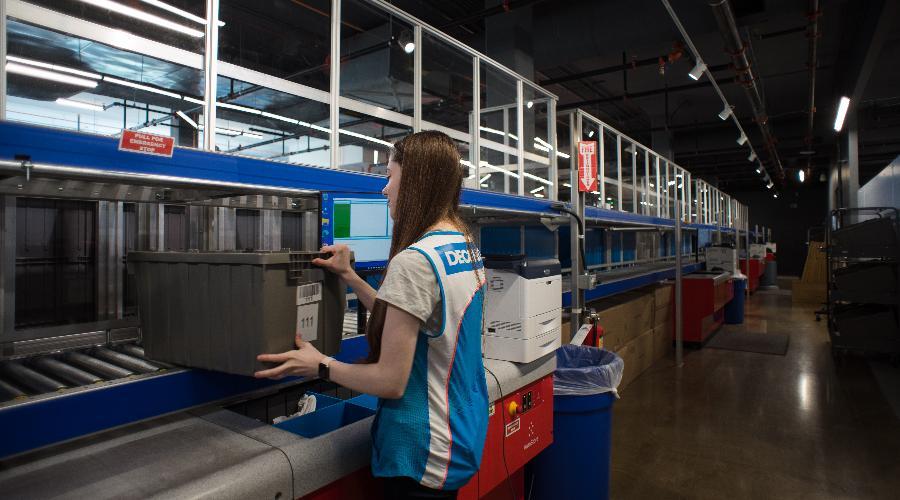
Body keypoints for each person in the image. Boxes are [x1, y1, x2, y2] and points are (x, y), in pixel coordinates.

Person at [256, 131, 488, 499]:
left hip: (421, 451)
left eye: (389, 175)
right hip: (459, 432)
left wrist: (321, 365)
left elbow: (390, 381)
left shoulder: (414, 261)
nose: (384, 189)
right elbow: (413, 318)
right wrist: (350, 278)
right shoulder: (462, 247)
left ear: (414, 181)